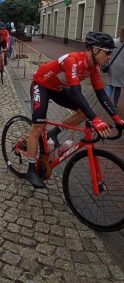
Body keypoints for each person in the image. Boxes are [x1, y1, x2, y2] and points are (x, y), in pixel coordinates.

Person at [26, 31, 124, 189]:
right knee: (37, 128)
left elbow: (100, 93)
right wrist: (95, 120)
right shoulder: (73, 60)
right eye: (108, 52)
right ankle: (31, 170)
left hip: (57, 88)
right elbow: (76, 92)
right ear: (95, 50)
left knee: (84, 112)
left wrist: (116, 118)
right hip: (42, 85)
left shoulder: (93, 67)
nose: (110, 56)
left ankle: (54, 132)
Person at [106, 26, 124, 110]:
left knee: (110, 83)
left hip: (112, 65)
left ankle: (106, 100)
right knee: (118, 86)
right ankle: (115, 104)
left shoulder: (113, 42)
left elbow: (108, 53)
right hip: (121, 67)